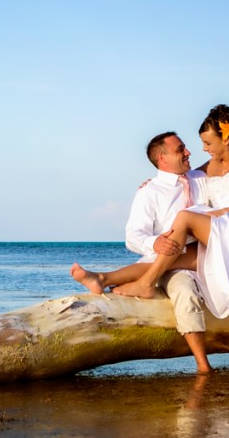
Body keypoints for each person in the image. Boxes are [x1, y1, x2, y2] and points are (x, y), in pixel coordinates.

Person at [72, 106, 229, 370]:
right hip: (201, 241)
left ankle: (139, 282)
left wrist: (226, 213)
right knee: (175, 263)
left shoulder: (227, 167)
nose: (196, 150)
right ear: (163, 158)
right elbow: (140, 226)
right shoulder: (174, 182)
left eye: (206, 143)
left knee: (186, 224)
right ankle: (104, 279)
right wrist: (154, 228)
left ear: (225, 138)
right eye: (183, 148)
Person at [71, 129, 214, 372]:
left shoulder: (201, 179)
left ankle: (104, 278)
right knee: (184, 291)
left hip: (207, 256)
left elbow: (222, 163)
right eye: (180, 150)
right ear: (162, 158)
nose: (188, 152)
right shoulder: (150, 191)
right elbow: (133, 237)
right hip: (169, 261)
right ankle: (203, 366)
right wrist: (155, 242)